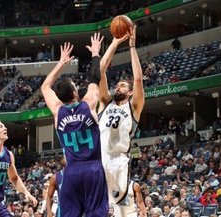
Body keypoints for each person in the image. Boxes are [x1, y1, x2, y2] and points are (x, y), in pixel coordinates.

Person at [41, 32, 108, 216]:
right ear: (75, 92)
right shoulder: (88, 104)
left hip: (71, 171)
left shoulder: (57, 111)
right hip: (93, 168)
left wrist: (61, 63)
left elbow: (45, 87)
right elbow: (95, 77)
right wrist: (95, 53)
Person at [98, 24, 145, 207]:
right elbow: (100, 71)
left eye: (123, 86)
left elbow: (138, 79)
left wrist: (132, 46)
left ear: (131, 92)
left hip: (120, 161)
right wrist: (115, 43)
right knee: (99, 206)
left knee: (118, 205)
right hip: (100, 158)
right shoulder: (105, 102)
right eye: (117, 85)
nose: (118, 87)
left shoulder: (134, 107)